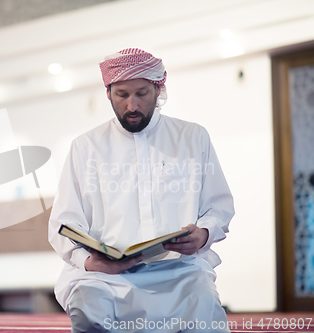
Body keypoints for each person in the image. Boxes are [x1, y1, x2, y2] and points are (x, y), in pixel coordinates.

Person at [48, 48, 234, 333]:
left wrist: (203, 234)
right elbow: (64, 221)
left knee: (203, 304)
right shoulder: (85, 147)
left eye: (142, 93)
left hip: (179, 272)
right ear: (108, 93)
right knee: (87, 309)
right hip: (106, 277)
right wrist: (88, 261)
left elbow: (218, 205)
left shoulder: (192, 137)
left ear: (159, 90)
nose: (132, 106)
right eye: (122, 95)